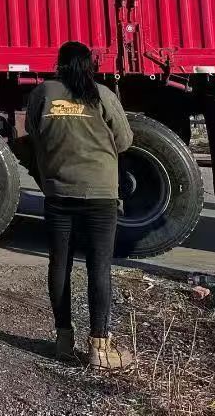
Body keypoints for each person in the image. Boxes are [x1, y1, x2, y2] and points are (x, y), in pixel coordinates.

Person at [26, 40, 136, 370]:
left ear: (58, 64)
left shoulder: (42, 94)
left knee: (59, 264)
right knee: (98, 267)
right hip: (100, 195)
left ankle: (63, 340)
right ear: (90, 64)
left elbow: (34, 133)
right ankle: (99, 349)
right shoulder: (102, 95)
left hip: (59, 194)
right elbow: (125, 140)